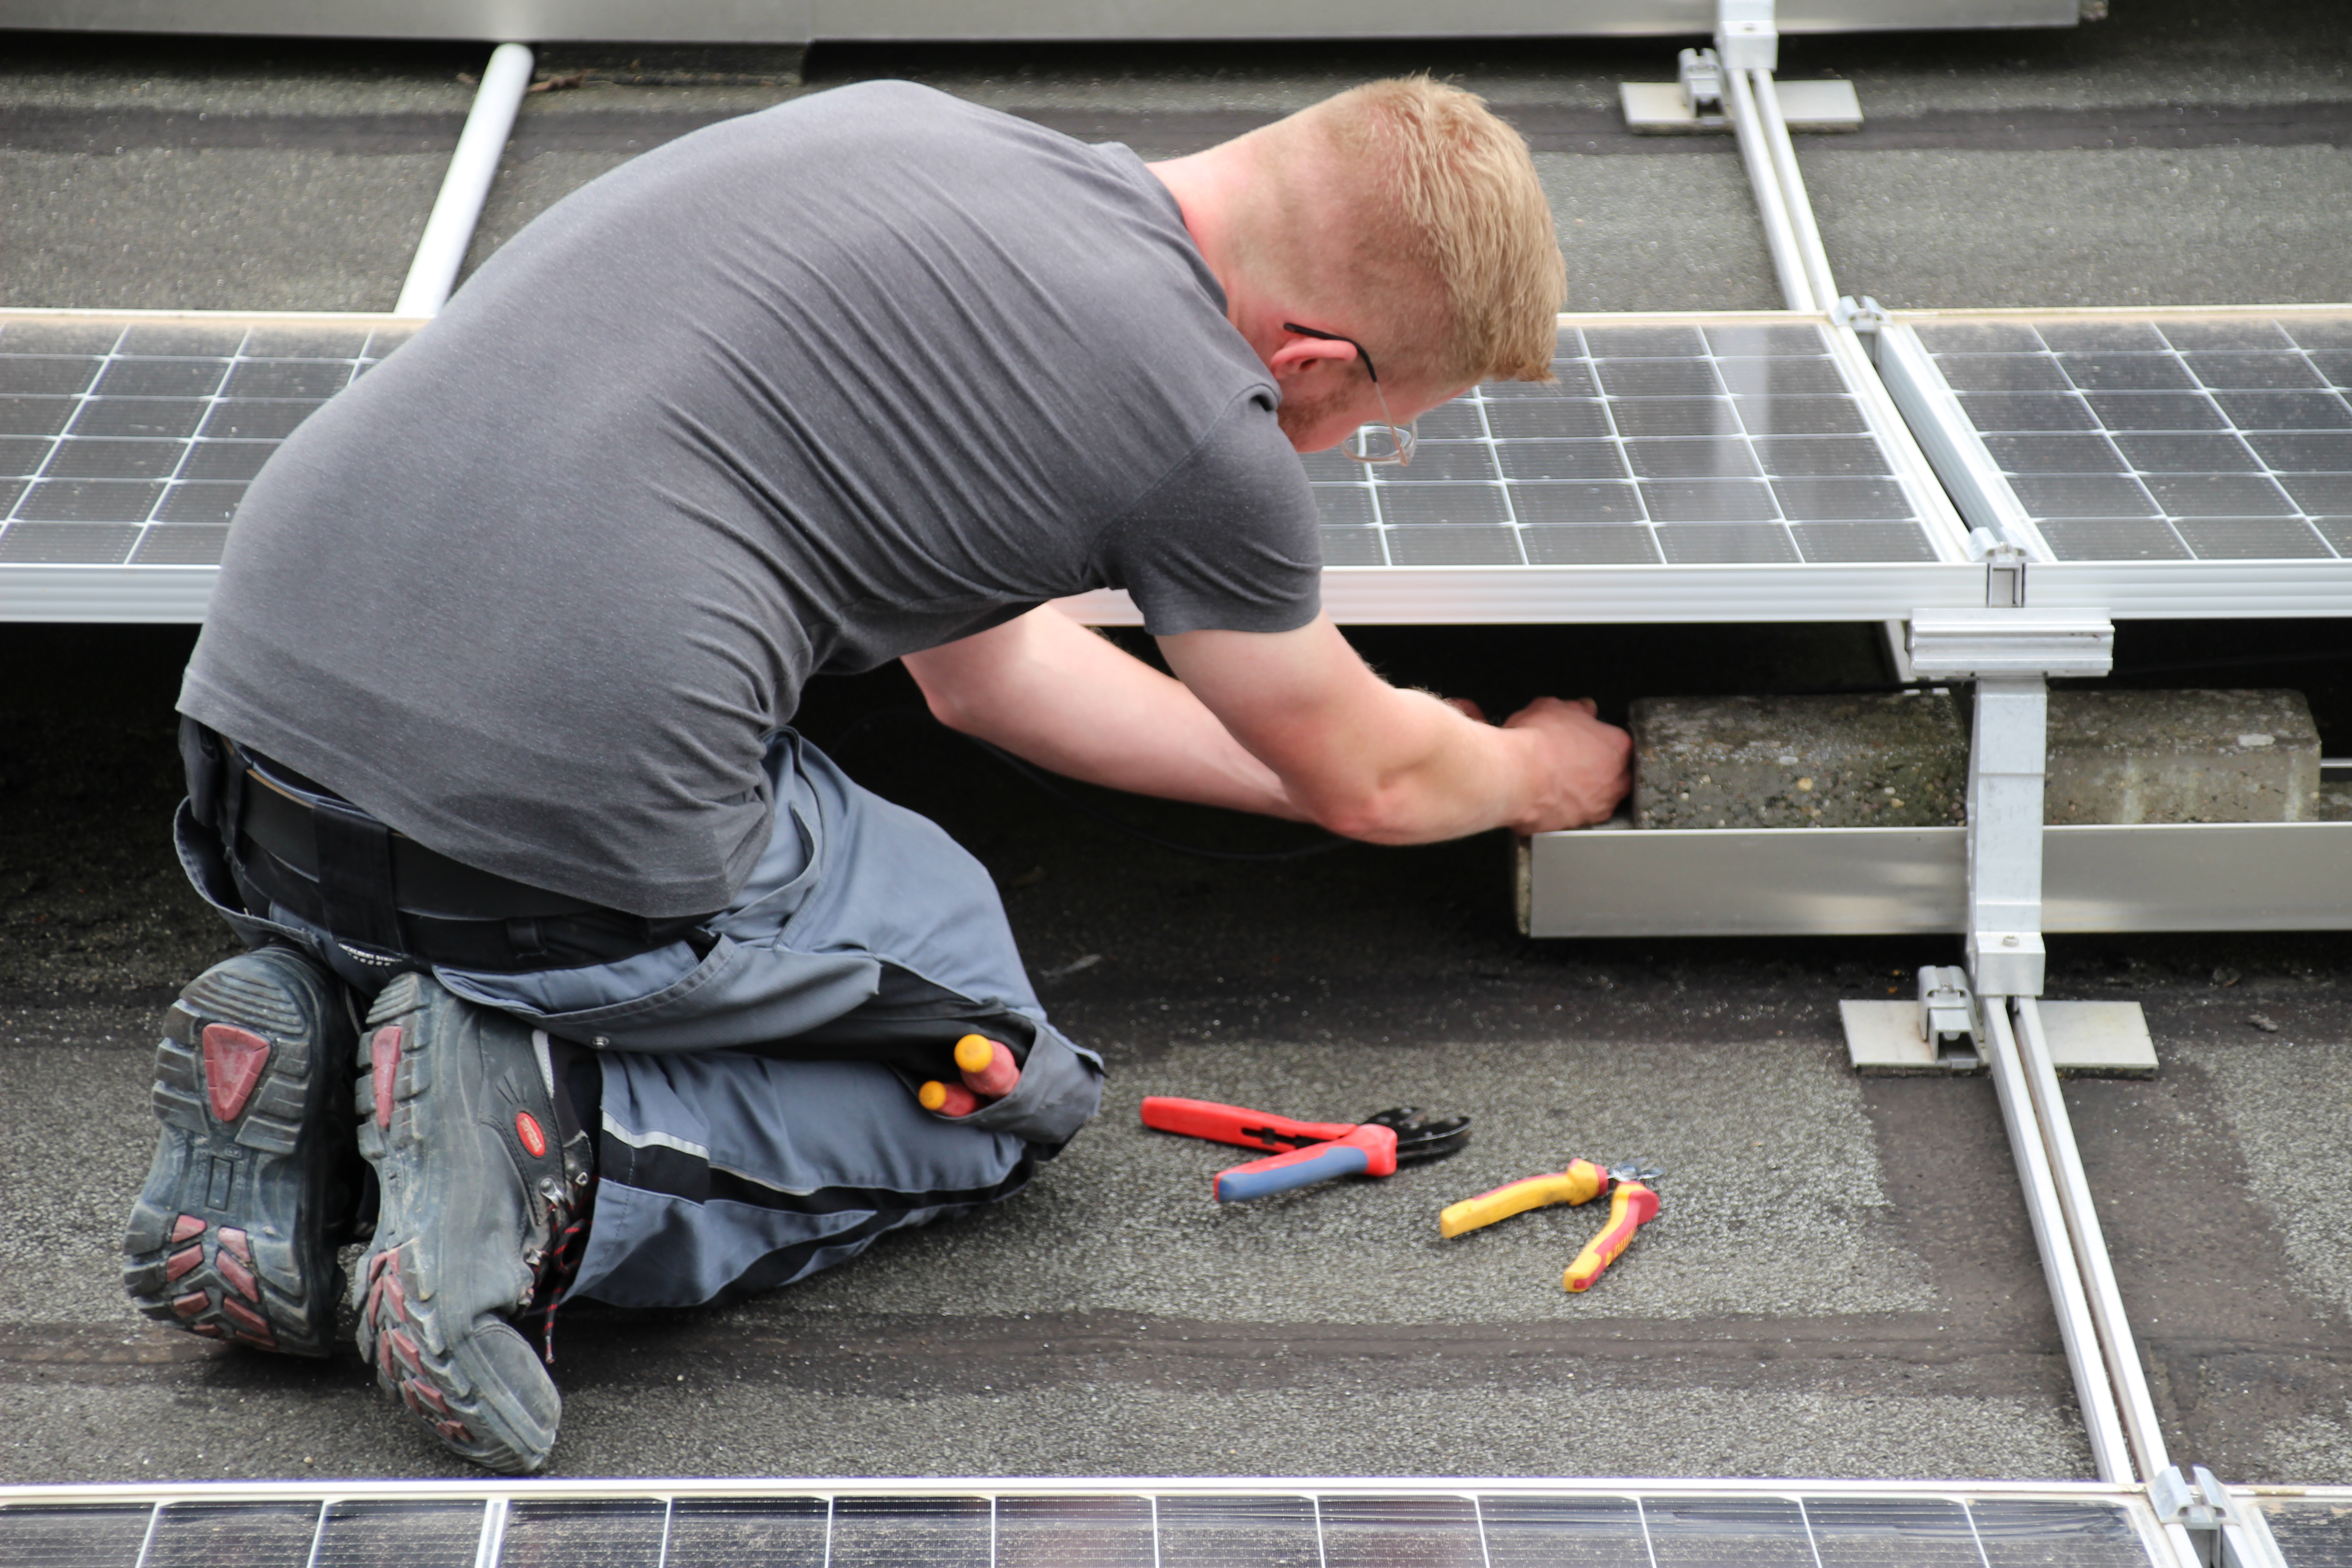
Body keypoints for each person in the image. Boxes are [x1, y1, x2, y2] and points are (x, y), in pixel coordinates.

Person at [119, 74, 1633, 1473]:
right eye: (1382, 427)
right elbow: (1376, 779)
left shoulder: (916, 141)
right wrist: (1529, 769)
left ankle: (321, 1075)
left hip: (252, 767)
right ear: (1314, 357)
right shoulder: (1200, 424)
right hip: (539, 849)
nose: (1343, 447)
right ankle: (551, 1140)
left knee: (843, 876)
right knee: (993, 1077)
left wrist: (1315, 770)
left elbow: (995, 676)